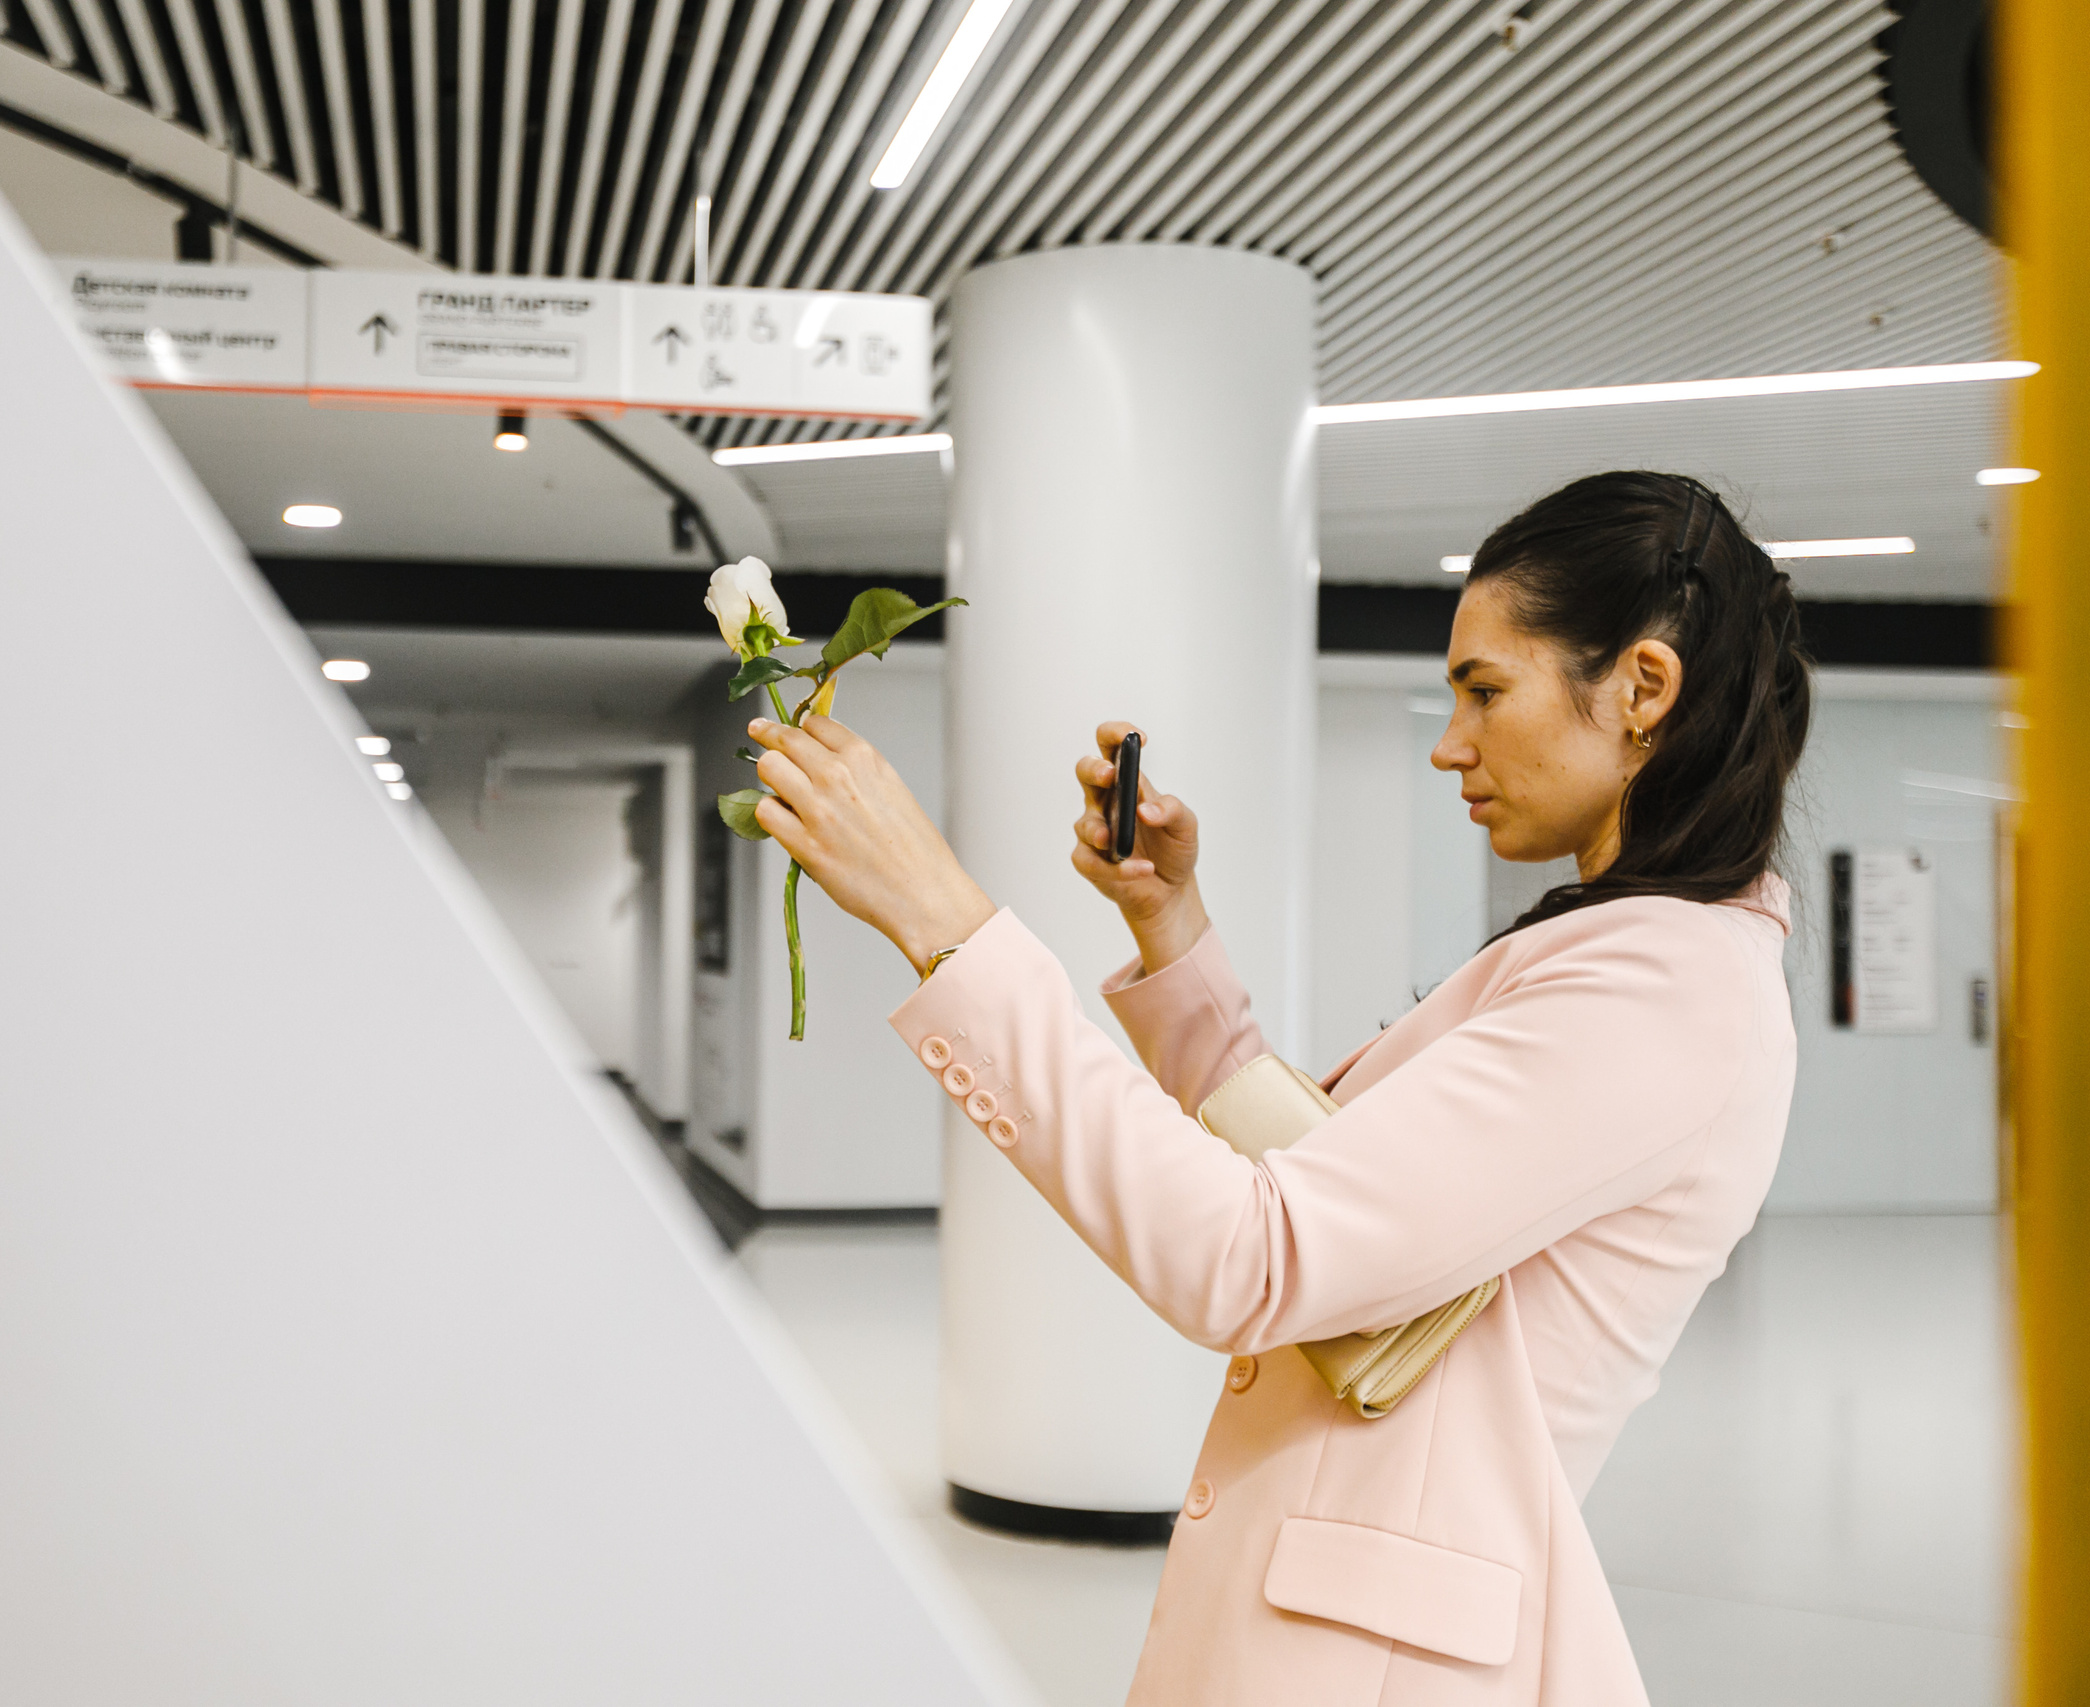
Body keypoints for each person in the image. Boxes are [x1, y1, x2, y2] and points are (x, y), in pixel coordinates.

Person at [742, 470, 1812, 1706]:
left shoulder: (1665, 985)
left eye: (1484, 690)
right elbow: (1326, 1187)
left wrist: (945, 925)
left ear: (1640, 689)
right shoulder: (1630, 951)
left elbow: (1256, 1257)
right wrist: (1172, 930)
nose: (1448, 741)